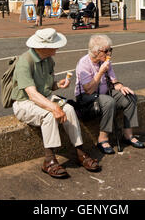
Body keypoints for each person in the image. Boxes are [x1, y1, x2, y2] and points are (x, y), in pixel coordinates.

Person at [11, 28, 100, 178]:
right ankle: (49, 160)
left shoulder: (48, 60)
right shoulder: (24, 62)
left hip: (43, 97)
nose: (57, 48)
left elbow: (47, 86)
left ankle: (80, 152)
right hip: (24, 102)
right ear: (43, 47)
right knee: (50, 115)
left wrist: (58, 84)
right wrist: (54, 108)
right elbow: (32, 94)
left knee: (70, 110)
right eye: (55, 45)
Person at [75, 34, 145, 154]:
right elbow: (89, 90)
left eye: (110, 50)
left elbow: (114, 81)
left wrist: (121, 86)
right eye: (107, 51)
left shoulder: (105, 61)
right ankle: (103, 138)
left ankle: (128, 135)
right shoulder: (84, 63)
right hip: (88, 99)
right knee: (108, 101)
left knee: (129, 96)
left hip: (104, 93)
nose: (109, 53)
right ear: (96, 52)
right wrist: (101, 71)